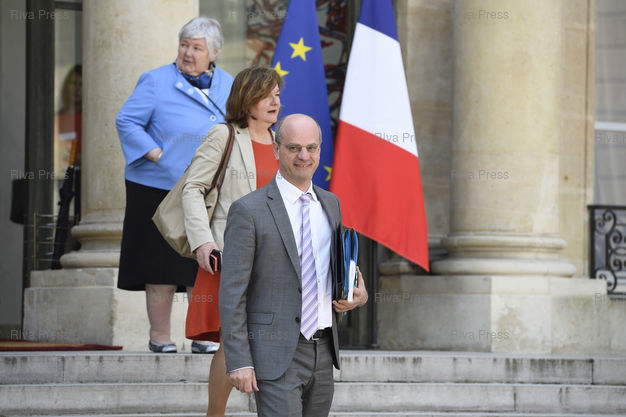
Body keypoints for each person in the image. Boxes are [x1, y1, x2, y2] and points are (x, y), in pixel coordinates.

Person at [219, 114, 369, 417]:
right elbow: (232, 292)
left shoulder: (331, 204)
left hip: (324, 350)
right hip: (274, 353)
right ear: (276, 149)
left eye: (311, 148)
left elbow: (333, 267)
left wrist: (358, 293)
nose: (304, 156)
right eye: (293, 148)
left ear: (320, 150)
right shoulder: (248, 210)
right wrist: (239, 360)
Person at [115, 17, 233, 354]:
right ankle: (160, 337)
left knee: (205, 262)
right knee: (160, 266)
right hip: (157, 187)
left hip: (206, 190)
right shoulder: (155, 80)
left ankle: (202, 335)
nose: (187, 52)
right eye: (184, 45)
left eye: (196, 47)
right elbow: (127, 120)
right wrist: (155, 153)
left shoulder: (229, 84)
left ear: (213, 53)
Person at [181, 66, 282, 417]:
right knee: (232, 339)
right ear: (246, 98)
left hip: (276, 258)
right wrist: (202, 242)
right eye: (266, 95)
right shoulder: (223, 135)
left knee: (270, 337)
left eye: (277, 95)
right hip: (229, 255)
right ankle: (216, 414)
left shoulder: (282, 142)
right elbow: (193, 188)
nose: (275, 101)